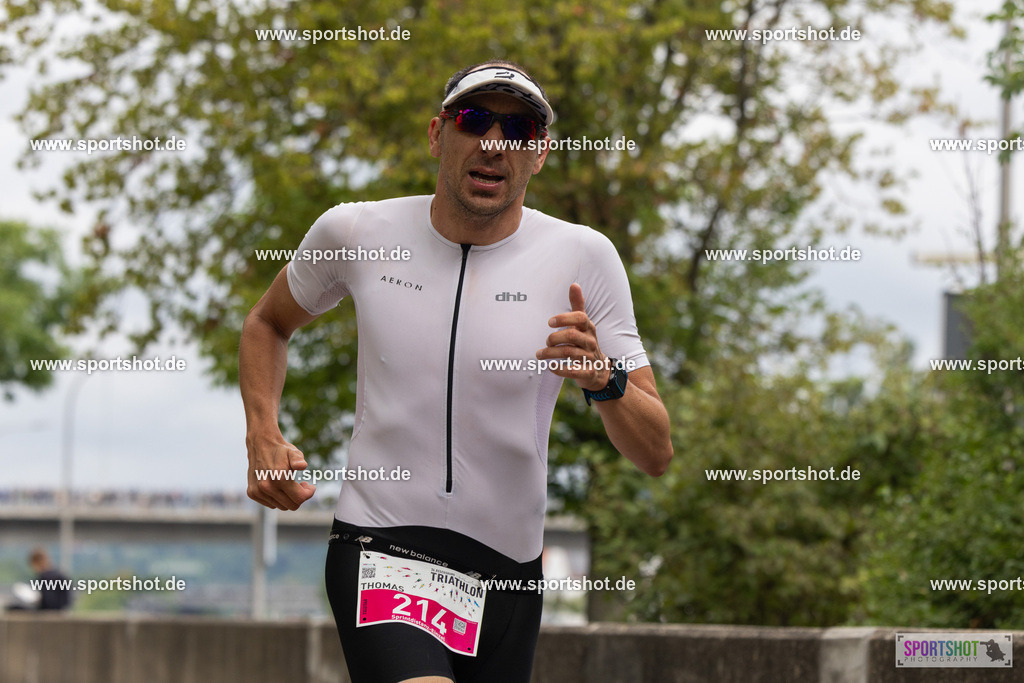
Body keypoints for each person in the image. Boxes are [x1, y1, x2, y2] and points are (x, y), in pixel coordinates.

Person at [239, 60, 673, 683]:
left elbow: (656, 450)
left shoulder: (583, 257)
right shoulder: (358, 231)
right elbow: (266, 324)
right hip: (382, 547)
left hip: (510, 576)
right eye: (474, 120)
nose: (494, 144)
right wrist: (262, 431)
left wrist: (604, 380)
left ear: (540, 153)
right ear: (438, 134)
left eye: (519, 130)